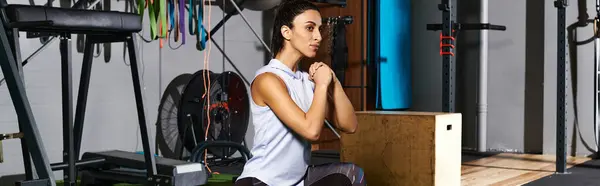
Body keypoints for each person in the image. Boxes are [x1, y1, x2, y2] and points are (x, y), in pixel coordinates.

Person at [235, 0, 366, 186]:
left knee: (351, 175)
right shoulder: (268, 80)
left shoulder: (305, 80)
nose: (318, 37)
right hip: (262, 181)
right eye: (310, 28)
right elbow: (311, 131)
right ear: (286, 32)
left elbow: (350, 124)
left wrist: (333, 81)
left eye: (319, 29)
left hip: (298, 181)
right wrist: (321, 86)